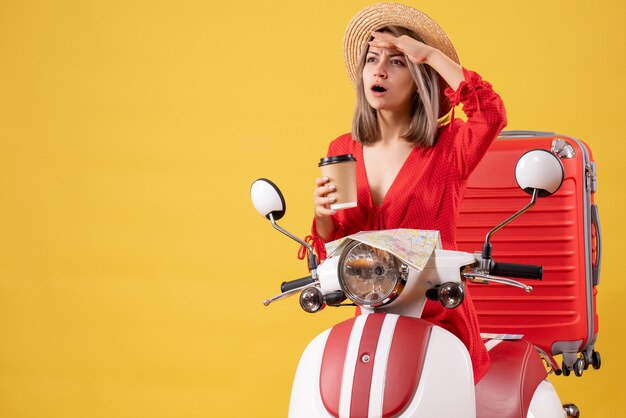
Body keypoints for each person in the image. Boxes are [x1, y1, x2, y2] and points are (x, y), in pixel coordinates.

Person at [306, 3, 507, 383]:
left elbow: (490, 115)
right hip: (372, 325)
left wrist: (431, 55)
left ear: (420, 77)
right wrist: (321, 216)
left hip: (439, 323)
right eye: (371, 59)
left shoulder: (450, 148)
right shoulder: (341, 149)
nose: (379, 70)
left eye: (397, 62)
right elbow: (337, 245)